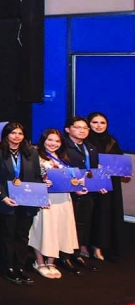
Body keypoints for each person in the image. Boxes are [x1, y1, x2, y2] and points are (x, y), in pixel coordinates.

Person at [0, 122, 41, 285]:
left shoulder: (31, 152)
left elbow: (36, 176)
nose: (16, 136)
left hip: (27, 202)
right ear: (6, 135)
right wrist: (4, 197)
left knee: (22, 235)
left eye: (20, 133)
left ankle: (20, 267)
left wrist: (39, 196)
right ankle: (7, 268)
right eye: (13, 133)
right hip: (6, 201)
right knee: (7, 235)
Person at [31, 128, 79, 279]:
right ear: (43, 140)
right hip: (45, 198)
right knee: (43, 229)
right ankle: (39, 262)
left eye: (57, 141)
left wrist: (79, 187)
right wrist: (41, 182)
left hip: (63, 199)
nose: (53, 143)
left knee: (59, 229)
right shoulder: (35, 156)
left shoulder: (63, 158)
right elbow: (29, 177)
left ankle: (51, 262)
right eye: (50, 140)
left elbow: (72, 180)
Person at [87, 112, 128, 260]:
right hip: (91, 183)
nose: (99, 126)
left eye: (102, 123)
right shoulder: (85, 141)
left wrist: (124, 171)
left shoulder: (111, 140)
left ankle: (101, 246)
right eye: (95, 122)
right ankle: (87, 246)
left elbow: (119, 160)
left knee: (107, 213)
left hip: (111, 183)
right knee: (93, 214)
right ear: (89, 124)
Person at [62, 116, 100, 272]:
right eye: (78, 127)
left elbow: (95, 171)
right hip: (69, 192)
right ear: (68, 129)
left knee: (82, 223)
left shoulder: (91, 148)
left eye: (85, 128)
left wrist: (100, 184)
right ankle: (64, 255)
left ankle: (76, 253)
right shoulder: (62, 146)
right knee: (67, 224)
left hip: (87, 192)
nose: (82, 130)